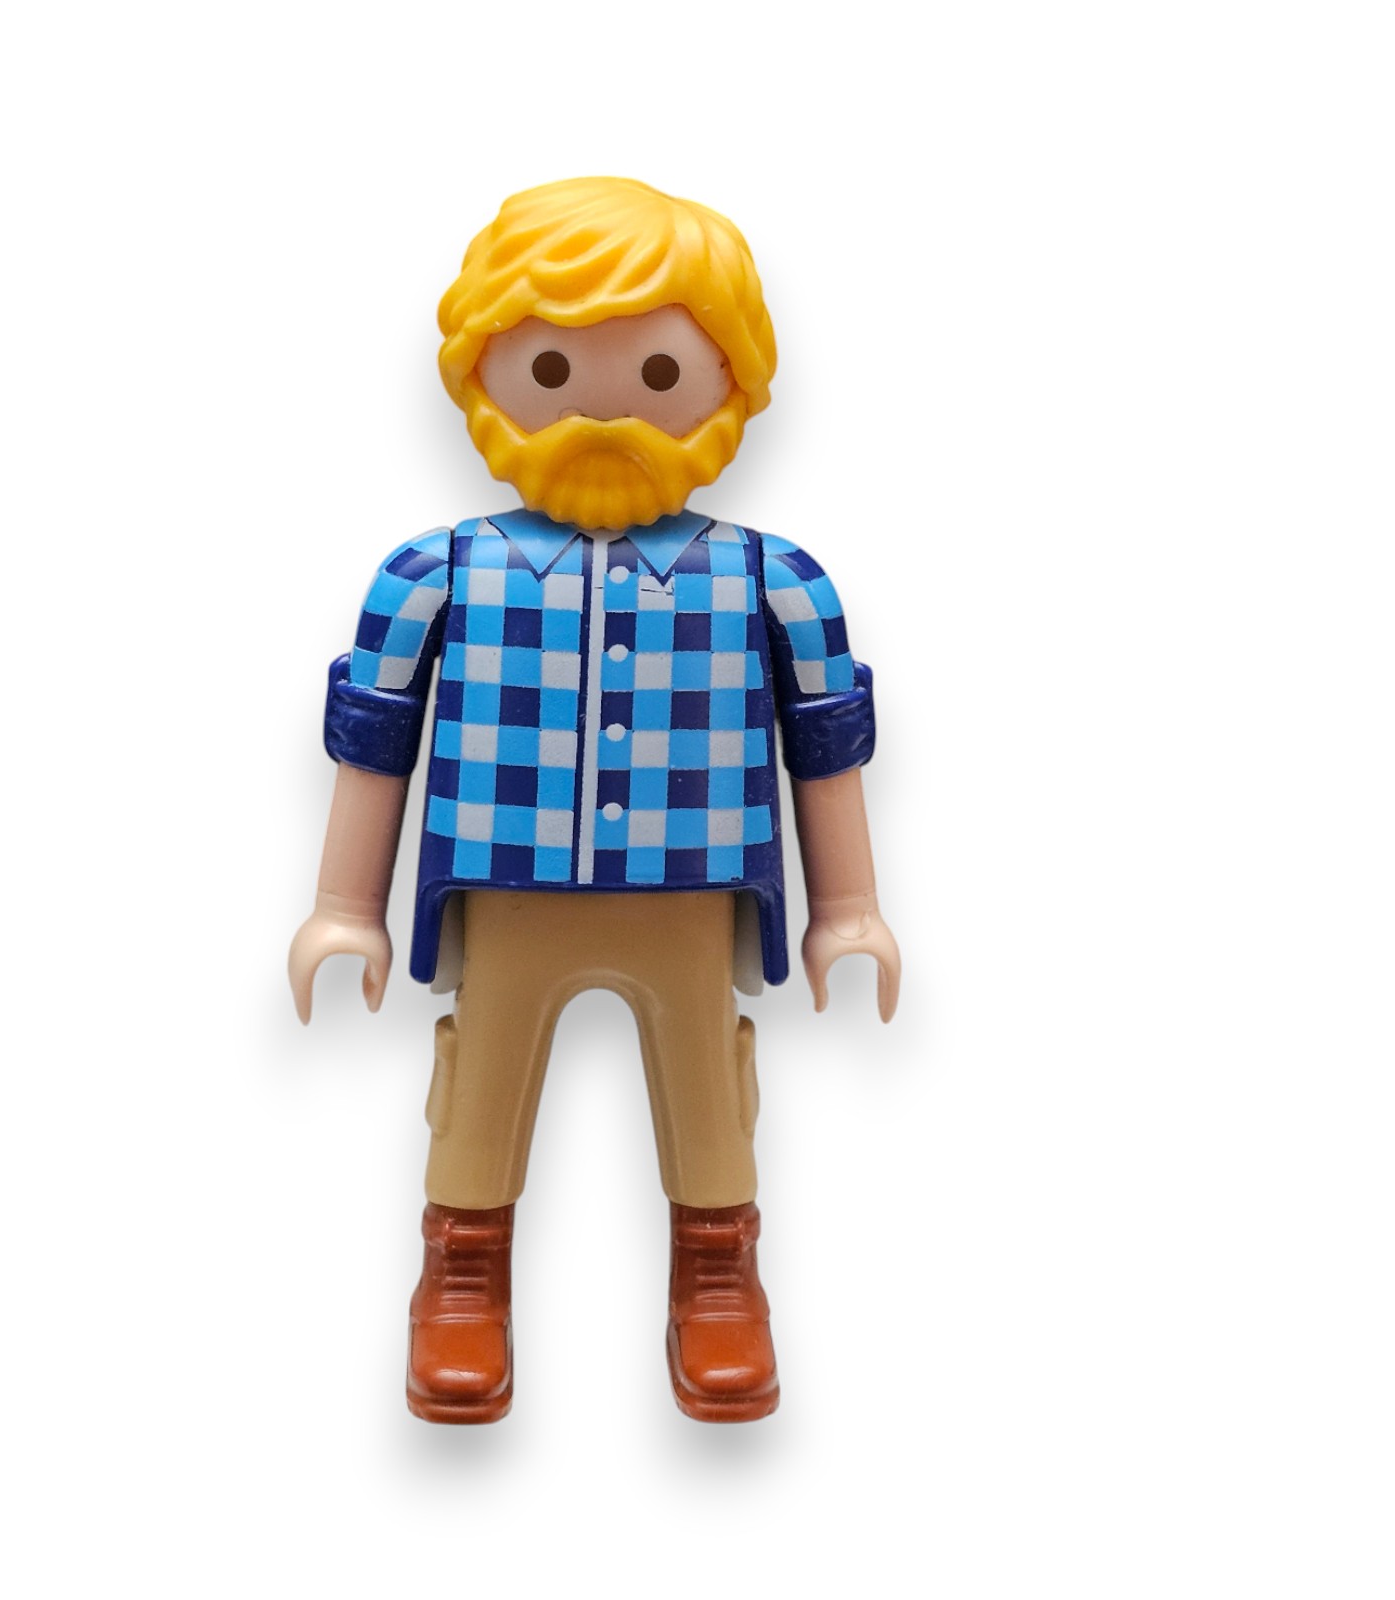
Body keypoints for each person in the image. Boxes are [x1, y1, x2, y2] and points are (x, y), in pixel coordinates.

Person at [289, 176, 900, 1424]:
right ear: (482, 379)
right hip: (502, 891)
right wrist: (343, 907)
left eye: (659, 374)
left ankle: (718, 1270)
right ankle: (462, 1270)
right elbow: (376, 739)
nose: (604, 412)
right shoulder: (434, 574)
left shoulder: (774, 580)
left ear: (730, 386)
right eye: (554, 374)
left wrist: (849, 910)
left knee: (707, 1082)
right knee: (482, 1075)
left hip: (692, 890)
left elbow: (824, 746)